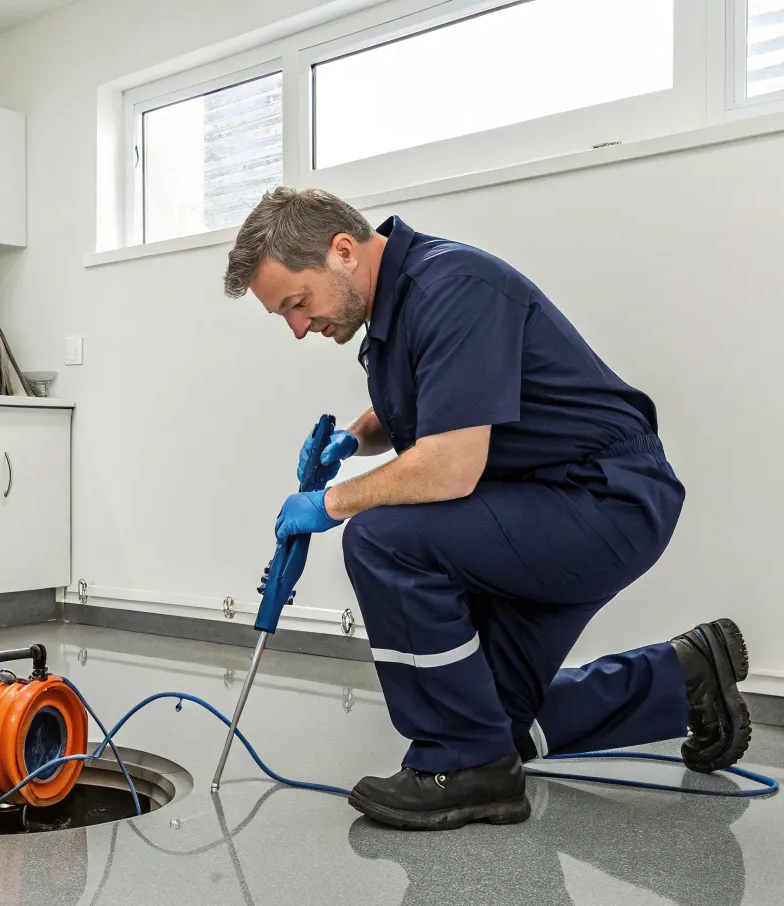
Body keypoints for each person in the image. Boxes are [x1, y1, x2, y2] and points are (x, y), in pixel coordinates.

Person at [223, 187, 753, 830]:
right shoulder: (396, 308)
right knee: (493, 719)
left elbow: (450, 464)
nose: (299, 327)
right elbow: (429, 406)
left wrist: (330, 503)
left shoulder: (455, 287)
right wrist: (355, 442)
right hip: (543, 501)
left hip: (601, 500)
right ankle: (683, 675)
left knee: (380, 539)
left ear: (342, 251)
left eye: (297, 304)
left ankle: (464, 767)